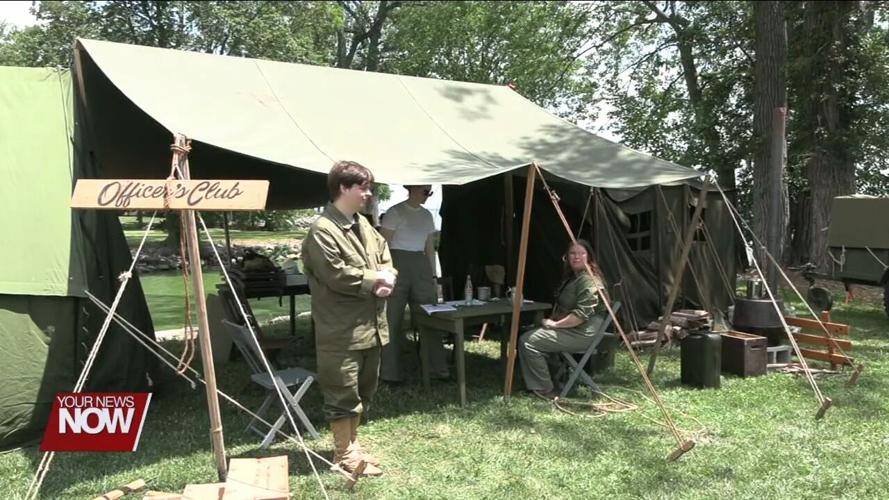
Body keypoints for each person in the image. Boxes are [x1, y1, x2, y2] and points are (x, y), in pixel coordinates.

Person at [301, 160, 397, 476]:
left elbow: (384, 254)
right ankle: (344, 454)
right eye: (363, 188)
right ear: (343, 188)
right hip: (340, 329)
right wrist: (376, 281)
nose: (368, 194)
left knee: (364, 388)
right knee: (342, 390)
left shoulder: (364, 225)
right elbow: (336, 274)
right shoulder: (322, 231)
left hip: (371, 326)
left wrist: (389, 276)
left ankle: (353, 444)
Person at [518, 239, 607, 400]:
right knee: (532, 331)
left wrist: (556, 325)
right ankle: (552, 377)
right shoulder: (574, 278)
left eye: (581, 253)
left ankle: (545, 389)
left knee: (528, 341)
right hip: (573, 329)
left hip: (582, 333)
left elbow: (581, 315)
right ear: (566, 257)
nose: (576, 257)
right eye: (573, 253)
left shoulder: (588, 280)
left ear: (589, 257)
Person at [378, 185, 450, 383]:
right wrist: (384, 272)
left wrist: (433, 275)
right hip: (396, 263)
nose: (427, 196)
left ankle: (436, 368)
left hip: (420, 265)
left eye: (430, 192)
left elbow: (429, 247)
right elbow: (383, 246)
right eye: (425, 191)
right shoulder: (395, 212)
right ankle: (389, 373)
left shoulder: (427, 216)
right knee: (392, 319)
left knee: (430, 315)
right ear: (412, 189)